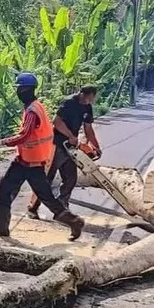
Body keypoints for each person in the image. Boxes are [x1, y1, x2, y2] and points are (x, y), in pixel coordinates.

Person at [0, 72, 85, 240]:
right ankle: (2, 228)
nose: (18, 92)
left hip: (31, 164)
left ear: (25, 90)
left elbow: (24, 136)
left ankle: (74, 221)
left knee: (45, 197)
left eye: (19, 89)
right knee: (5, 190)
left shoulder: (32, 111)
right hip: (25, 161)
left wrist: (0, 143)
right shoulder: (37, 106)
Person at [27, 85, 101, 219]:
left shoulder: (87, 107)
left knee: (70, 178)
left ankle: (62, 206)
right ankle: (33, 207)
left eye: (91, 99)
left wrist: (95, 146)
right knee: (47, 178)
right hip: (56, 144)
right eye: (87, 99)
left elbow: (88, 128)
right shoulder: (69, 103)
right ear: (82, 94)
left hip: (70, 148)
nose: (89, 102)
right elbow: (57, 122)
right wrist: (70, 136)